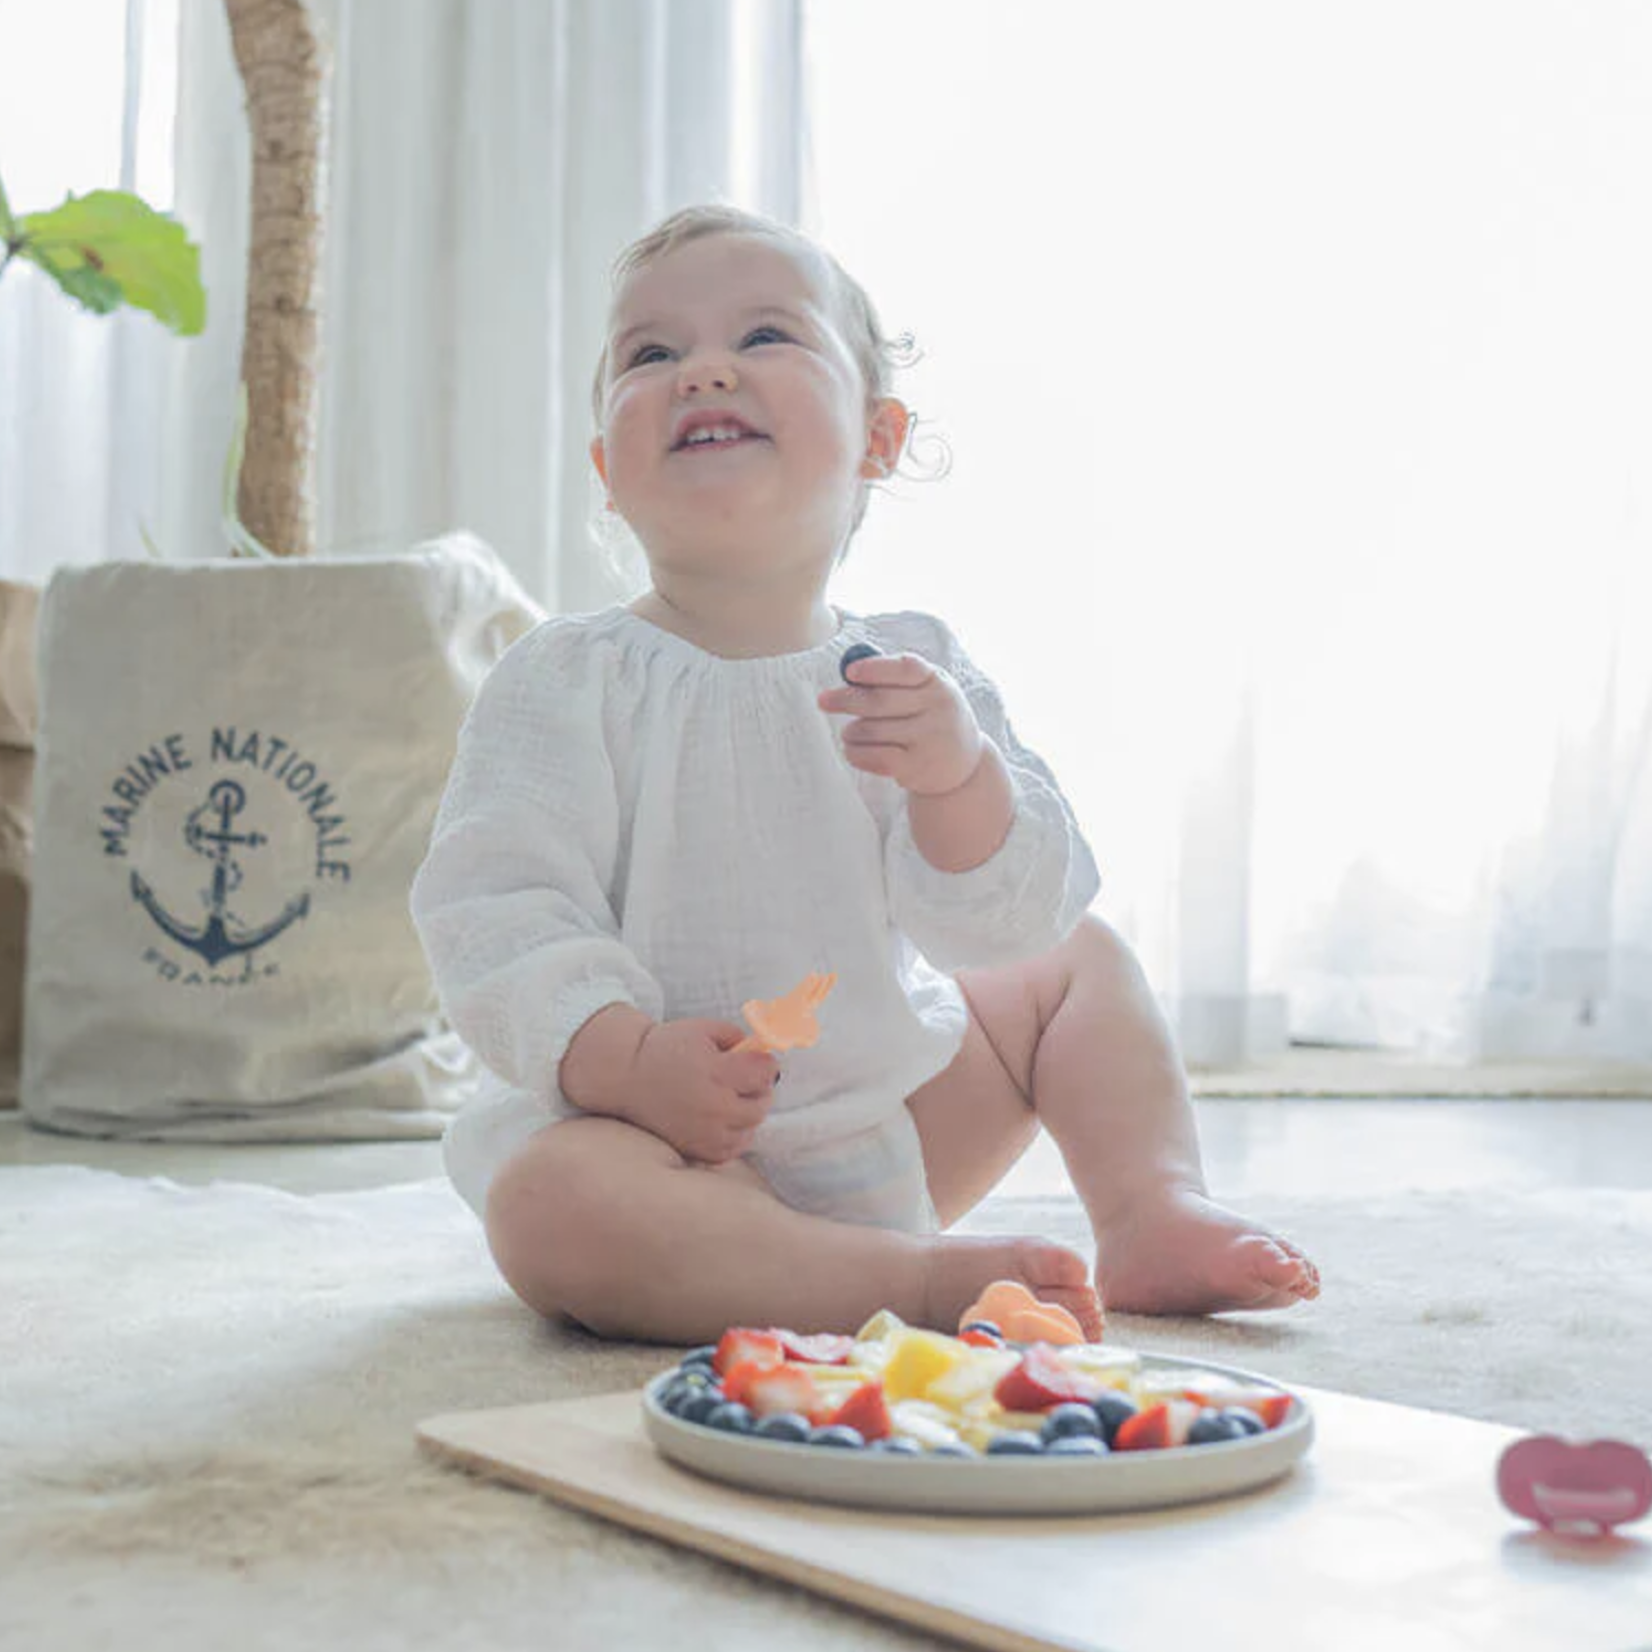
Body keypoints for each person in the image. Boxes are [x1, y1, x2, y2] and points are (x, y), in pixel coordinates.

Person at [410, 203, 1319, 1344]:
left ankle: (1149, 1209)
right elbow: (495, 909)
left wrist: (958, 784)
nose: (701, 372)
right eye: (651, 354)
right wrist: (626, 1060)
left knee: (1072, 957)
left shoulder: (910, 666)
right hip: (660, 1151)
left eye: (763, 338)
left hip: (885, 1127)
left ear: (878, 439)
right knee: (548, 1208)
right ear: (606, 468)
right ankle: (903, 1283)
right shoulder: (565, 679)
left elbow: (1009, 916)